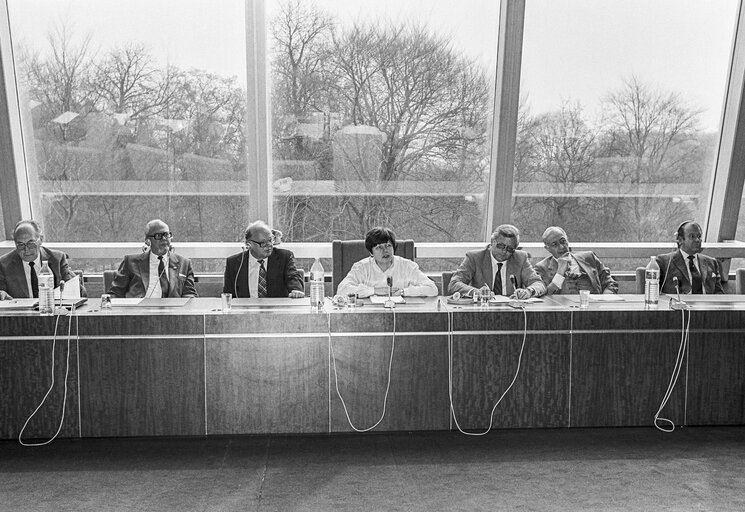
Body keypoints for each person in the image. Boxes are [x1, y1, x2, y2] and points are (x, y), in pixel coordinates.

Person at [448, 224, 545, 299]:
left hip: (511, 312)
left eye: (510, 249)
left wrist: (528, 291)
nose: (504, 252)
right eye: (501, 246)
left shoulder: (520, 258)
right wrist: (476, 292)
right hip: (482, 311)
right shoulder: (475, 257)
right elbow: (454, 284)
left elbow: (539, 284)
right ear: (492, 242)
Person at [337, 227, 437, 298]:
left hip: (401, 313)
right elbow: (342, 290)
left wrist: (402, 292)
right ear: (371, 252)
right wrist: (374, 291)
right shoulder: (361, 267)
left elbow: (432, 289)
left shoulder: (407, 266)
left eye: (388, 246)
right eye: (379, 247)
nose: (385, 251)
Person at [108, 219, 197, 298]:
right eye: (158, 236)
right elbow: (116, 292)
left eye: (166, 235)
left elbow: (189, 295)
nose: (164, 239)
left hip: (173, 314)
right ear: (147, 241)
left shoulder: (184, 263)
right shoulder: (131, 262)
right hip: (139, 313)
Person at [0, 219, 86, 300]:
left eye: (31, 243)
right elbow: (2, 293)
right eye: (21, 245)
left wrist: (73, 283)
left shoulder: (57, 260)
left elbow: (81, 294)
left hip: (53, 313)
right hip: (21, 314)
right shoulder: (4, 264)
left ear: (40, 240)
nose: (26, 249)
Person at [222, 221, 304, 298]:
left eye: (270, 240)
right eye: (263, 243)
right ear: (249, 244)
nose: (269, 245)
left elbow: (293, 277)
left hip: (277, 310)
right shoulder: (234, 263)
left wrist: (296, 290)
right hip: (246, 310)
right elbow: (228, 295)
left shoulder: (284, 257)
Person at [535, 226, 618, 295]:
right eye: (555, 244)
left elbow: (610, 283)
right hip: (564, 312)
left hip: (594, 308)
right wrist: (560, 273)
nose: (561, 247)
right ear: (547, 249)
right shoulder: (541, 268)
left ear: (568, 241)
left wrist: (604, 300)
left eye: (563, 241)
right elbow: (544, 296)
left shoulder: (589, 257)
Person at [657, 221, 724, 295]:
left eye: (699, 236)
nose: (697, 240)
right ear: (680, 240)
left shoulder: (712, 262)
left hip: (707, 305)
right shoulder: (663, 262)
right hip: (678, 304)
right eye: (692, 236)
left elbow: (719, 293)